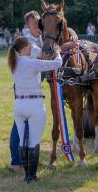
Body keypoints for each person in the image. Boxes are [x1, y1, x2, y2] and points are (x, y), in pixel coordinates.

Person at [7, 36, 62, 183]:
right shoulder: (32, 63)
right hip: (34, 105)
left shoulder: (14, 63)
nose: (32, 48)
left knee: (22, 142)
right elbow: (57, 64)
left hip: (19, 105)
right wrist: (57, 52)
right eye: (30, 46)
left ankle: (27, 174)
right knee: (33, 142)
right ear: (24, 48)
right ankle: (31, 176)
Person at [9, 10, 42, 173]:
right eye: (34, 23)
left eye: (39, 22)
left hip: (34, 88)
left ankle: (29, 160)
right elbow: (43, 56)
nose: (37, 25)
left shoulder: (41, 38)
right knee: (19, 126)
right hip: (24, 90)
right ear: (28, 25)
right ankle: (16, 161)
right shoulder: (28, 42)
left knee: (29, 125)